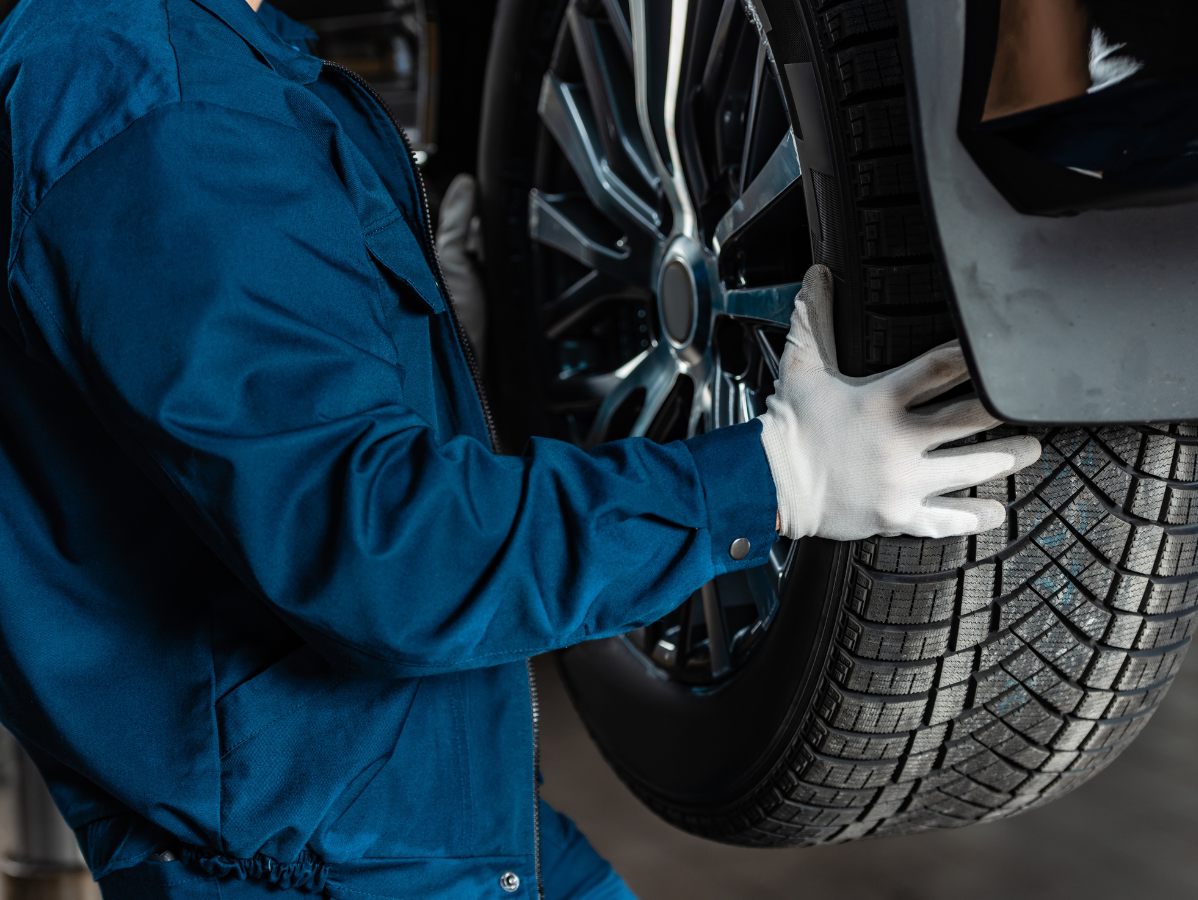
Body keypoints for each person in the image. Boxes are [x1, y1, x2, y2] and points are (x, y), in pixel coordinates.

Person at [0, 1, 1040, 898]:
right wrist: (772, 482)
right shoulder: (161, 107)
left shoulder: (173, 62)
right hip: (337, 860)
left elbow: (216, 435)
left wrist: (417, 341)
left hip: (428, 824)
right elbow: (382, 556)